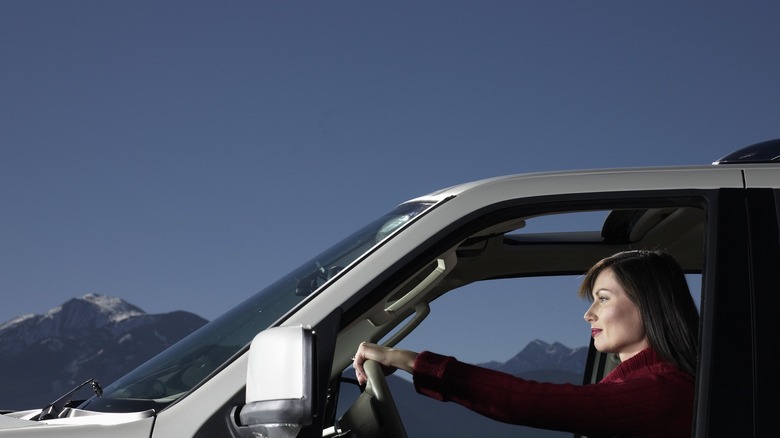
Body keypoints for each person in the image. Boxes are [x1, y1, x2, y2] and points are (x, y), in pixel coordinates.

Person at [353, 250, 699, 437]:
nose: (589, 315)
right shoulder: (632, 382)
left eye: (603, 299)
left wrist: (408, 360)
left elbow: (529, 402)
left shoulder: (665, 390)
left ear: (648, 303)